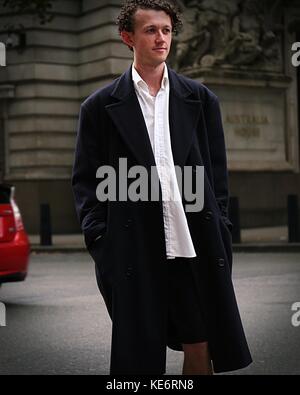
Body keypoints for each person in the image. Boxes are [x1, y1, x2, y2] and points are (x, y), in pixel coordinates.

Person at [71, 0, 252, 375]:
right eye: (151, 30)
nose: (161, 38)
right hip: (133, 248)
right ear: (128, 38)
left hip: (194, 245)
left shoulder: (200, 99)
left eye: (166, 30)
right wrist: (101, 240)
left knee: (200, 345)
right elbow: (87, 182)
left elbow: (217, 175)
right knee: (139, 359)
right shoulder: (100, 106)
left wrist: (219, 223)